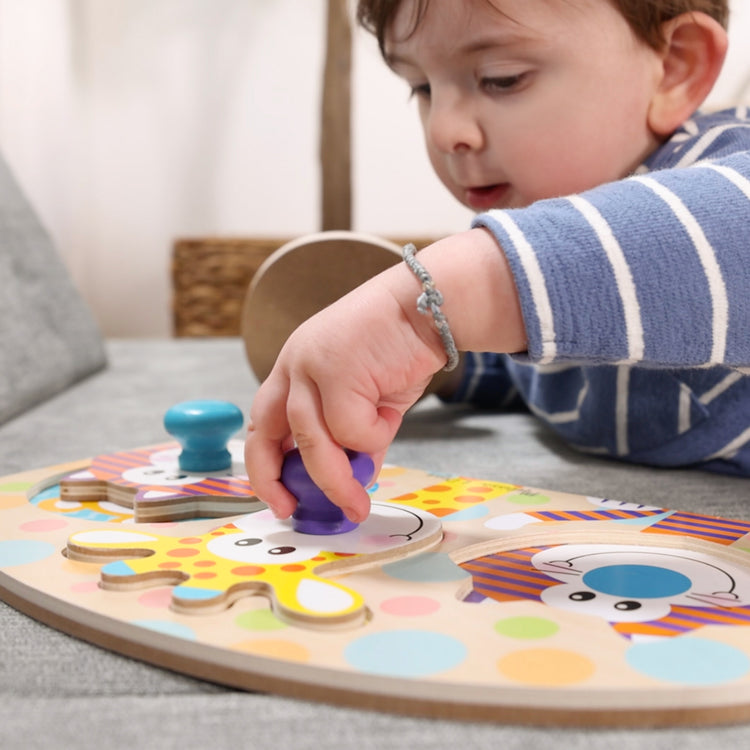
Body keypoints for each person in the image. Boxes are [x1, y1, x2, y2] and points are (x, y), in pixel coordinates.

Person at [245, 0, 750, 524]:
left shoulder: (718, 164)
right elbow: (555, 355)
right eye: (422, 87)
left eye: (501, 79)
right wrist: (447, 362)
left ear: (675, 67)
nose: (443, 130)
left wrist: (415, 316)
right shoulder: (537, 253)